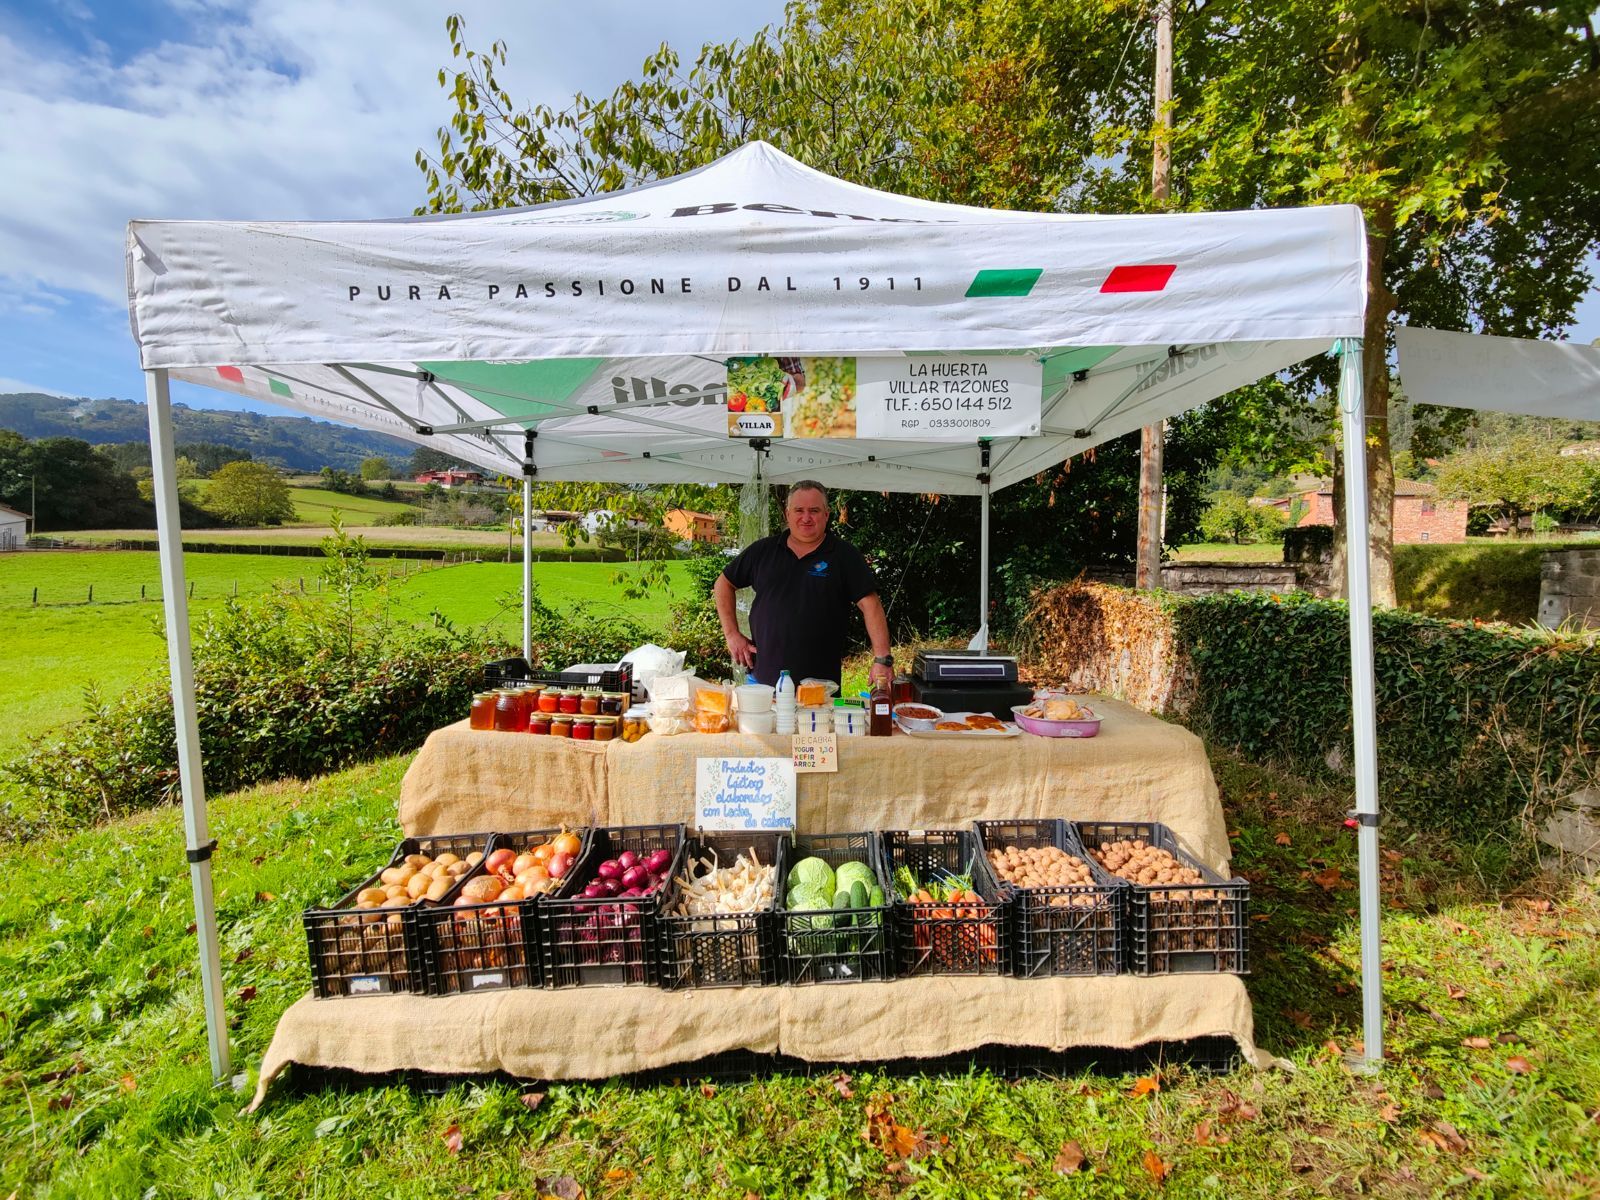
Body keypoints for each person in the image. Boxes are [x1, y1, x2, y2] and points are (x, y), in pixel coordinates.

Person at [713, 481, 894, 690]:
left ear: (826, 514)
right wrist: (732, 634)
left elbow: (871, 605)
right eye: (799, 510)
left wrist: (882, 659)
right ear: (787, 513)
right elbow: (723, 583)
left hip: (820, 689)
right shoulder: (762, 551)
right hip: (762, 683)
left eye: (814, 511)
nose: (806, 518)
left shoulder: (844, 556)